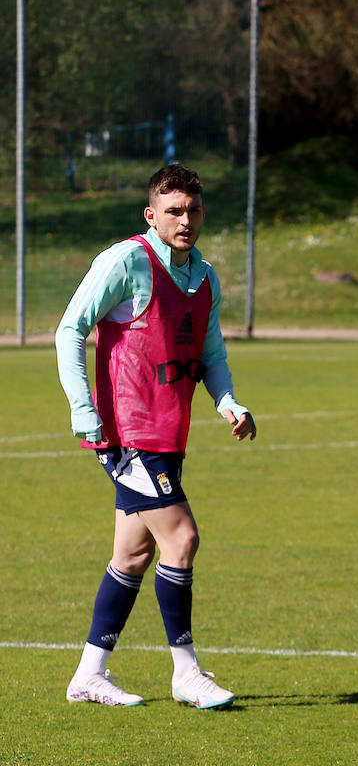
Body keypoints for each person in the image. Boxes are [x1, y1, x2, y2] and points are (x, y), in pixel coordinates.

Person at [57, 163, 256, 710]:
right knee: (182, 539)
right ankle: (186, 671)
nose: (185, 219)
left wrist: (228, 402)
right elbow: (70, 329)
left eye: (193, 210)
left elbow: (211, 354)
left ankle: (89, 675)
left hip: (169, 435)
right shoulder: (125, 261)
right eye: (173, 211)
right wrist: (83, 410)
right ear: (152, 214)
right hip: (126, 434)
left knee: (134, 552)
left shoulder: (205, 276)